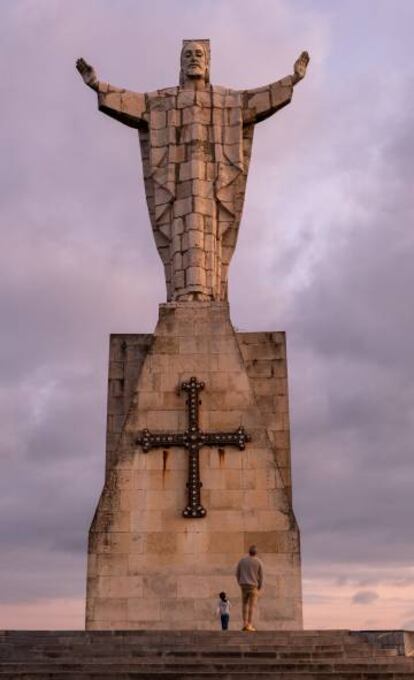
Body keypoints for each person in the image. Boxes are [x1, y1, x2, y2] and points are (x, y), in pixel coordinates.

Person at [76, 41, 309, 302]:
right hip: (177, 191)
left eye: (199, 54)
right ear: (180, 64)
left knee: (210, 237)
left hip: (212, 188)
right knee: (182, 236)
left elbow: (258, 99)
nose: (193, 59)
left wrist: (293, 80)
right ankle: (182, 293)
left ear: (208, 63)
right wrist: (98, 85)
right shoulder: (163, 101)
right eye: (187, 55)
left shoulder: (226, 100)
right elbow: (133, 103)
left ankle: (209, 295)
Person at [236, 545, 263, 631]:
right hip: (253, 586)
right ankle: (250, 624)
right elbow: (261, 576)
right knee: (251, 606)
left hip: (244, 585)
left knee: (244, 605)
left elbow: (237, 573)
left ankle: (244, 623)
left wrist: (240, 582)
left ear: (249, 552)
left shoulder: (242, 561)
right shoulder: (258, 562)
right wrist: (259, 586)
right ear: (256, 553)